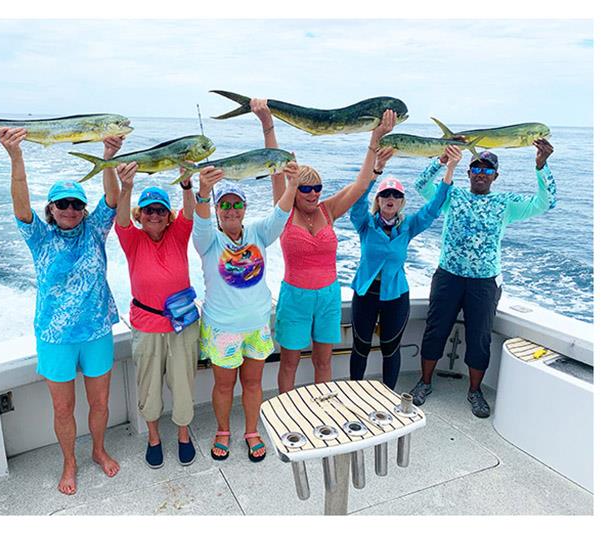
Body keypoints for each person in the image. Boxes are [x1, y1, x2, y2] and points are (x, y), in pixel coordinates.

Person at [0, 127, 122, 495]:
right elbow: (20, 202)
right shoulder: (40, 237)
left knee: (100, 402)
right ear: (51, 209)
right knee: (63, 409)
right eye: (62, 204)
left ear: (84, 209)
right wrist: (15, 156)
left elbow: (113, 198)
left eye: (75, 204)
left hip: (97, 331)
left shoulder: (96, 229)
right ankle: (70, 462)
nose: (70, 210)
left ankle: (99, 450)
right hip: (55, 337)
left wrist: (109, 156)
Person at [249, 98, 398, 393]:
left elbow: (360, 185)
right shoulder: (286, 212)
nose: (313, 193)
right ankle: (287, 413)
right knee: (289, 362)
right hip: (295, 297)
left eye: (317, 187)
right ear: (296, 190)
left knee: (324, 362)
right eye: (306, 188)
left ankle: (322, 409)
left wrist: (376, 136)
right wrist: (267, 124)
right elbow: (276, 169)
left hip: (329, 296)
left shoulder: (328, 210)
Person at [409, 139, 556, 418]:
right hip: (448, 277)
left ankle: (475, 391)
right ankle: (424, 382)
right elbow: (421, 185)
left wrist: (541, 165)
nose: (481, 174)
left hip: (484, 282)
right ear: (467, 173)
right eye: (476, 168)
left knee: (479, 338)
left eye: (487, 171)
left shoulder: (506, 204)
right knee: (435, 330)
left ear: (495, 177)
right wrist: (442, 160)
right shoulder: (451, 196)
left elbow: (545, 202)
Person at [193, 162, 299, 462]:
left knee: (253, 384)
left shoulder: (258, 232)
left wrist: (291, 185)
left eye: (236, 204)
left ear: (244, 208)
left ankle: (252, 431)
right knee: (224, 385)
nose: (230, 210)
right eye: (224, 205)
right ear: (217, 210)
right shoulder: (208, 240)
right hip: (222, 329)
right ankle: (223, 430)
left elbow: (281, 213)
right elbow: (200, 221)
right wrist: (203, 191)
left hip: (257, 326)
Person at [348, 146, 461, 389]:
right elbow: (356, 202)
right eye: (385, 195)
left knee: (390, 348)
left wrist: (449, 168)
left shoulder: (408, 226)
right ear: (378, 200)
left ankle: (389, 396)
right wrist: (376, 170)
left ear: (401, 202)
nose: (390, 199)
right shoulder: (365, 224)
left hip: (396, 295)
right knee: (361, 346)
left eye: (396, 196)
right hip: (366, 293)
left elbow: (433, 208)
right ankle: (353, 393)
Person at [114, 162, 199, 469]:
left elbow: (189, 213)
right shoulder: (132, 239)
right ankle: (153, 439)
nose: (154, 215)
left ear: (167, 216)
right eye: (148, 210)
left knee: (183, 384)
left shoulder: (178, 234)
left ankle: (183, 435)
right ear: (141, 215)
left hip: (182, 325)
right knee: (148, 386)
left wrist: (187, 186)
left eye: (160, 211)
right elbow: (121, 219)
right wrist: (127, 187)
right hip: (146, 324)